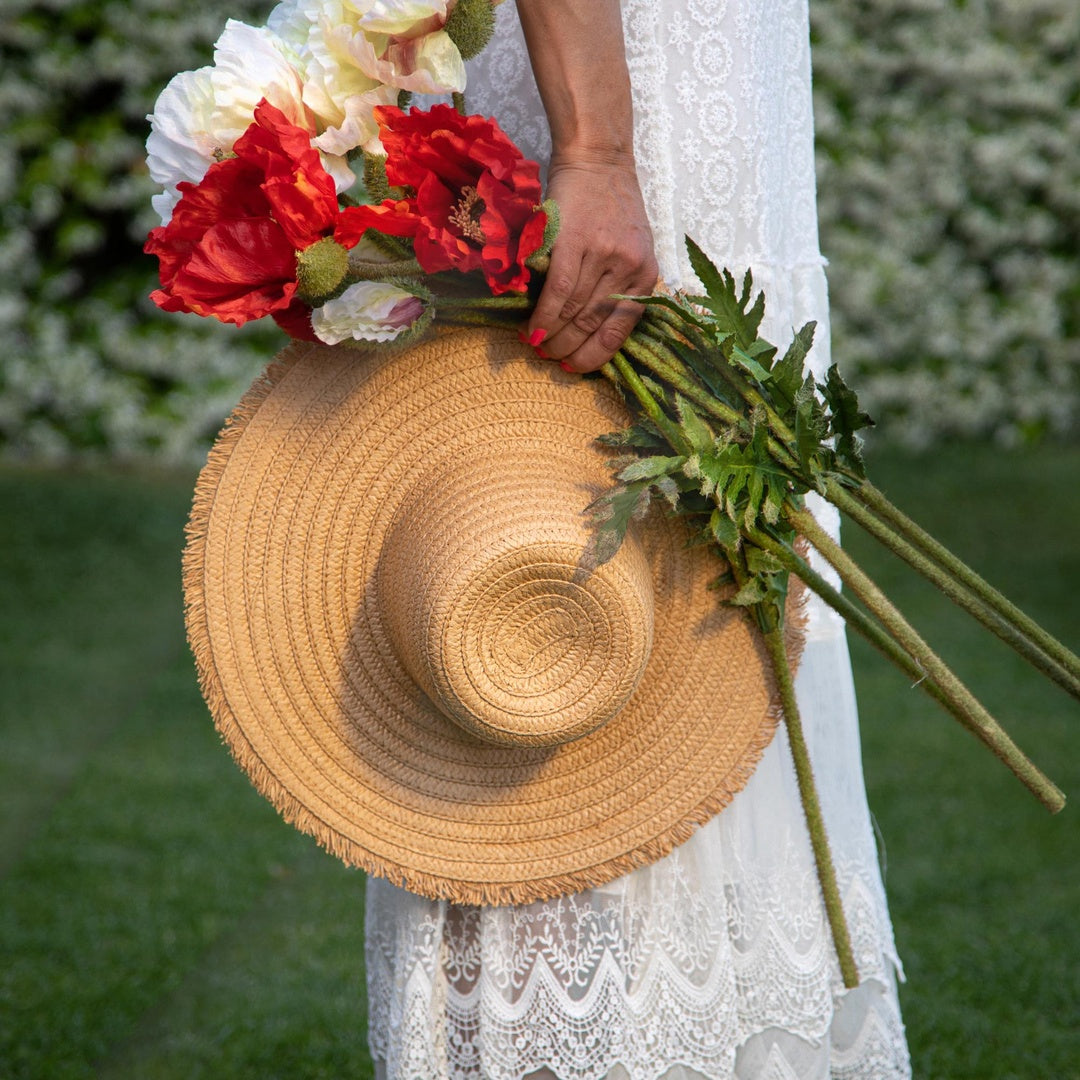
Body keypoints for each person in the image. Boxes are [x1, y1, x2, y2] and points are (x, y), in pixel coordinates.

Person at [364, 2, 913, 1076]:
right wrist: (599, 147)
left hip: (705, 104)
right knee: (570, 617)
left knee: (710, 645)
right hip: (626, 101)